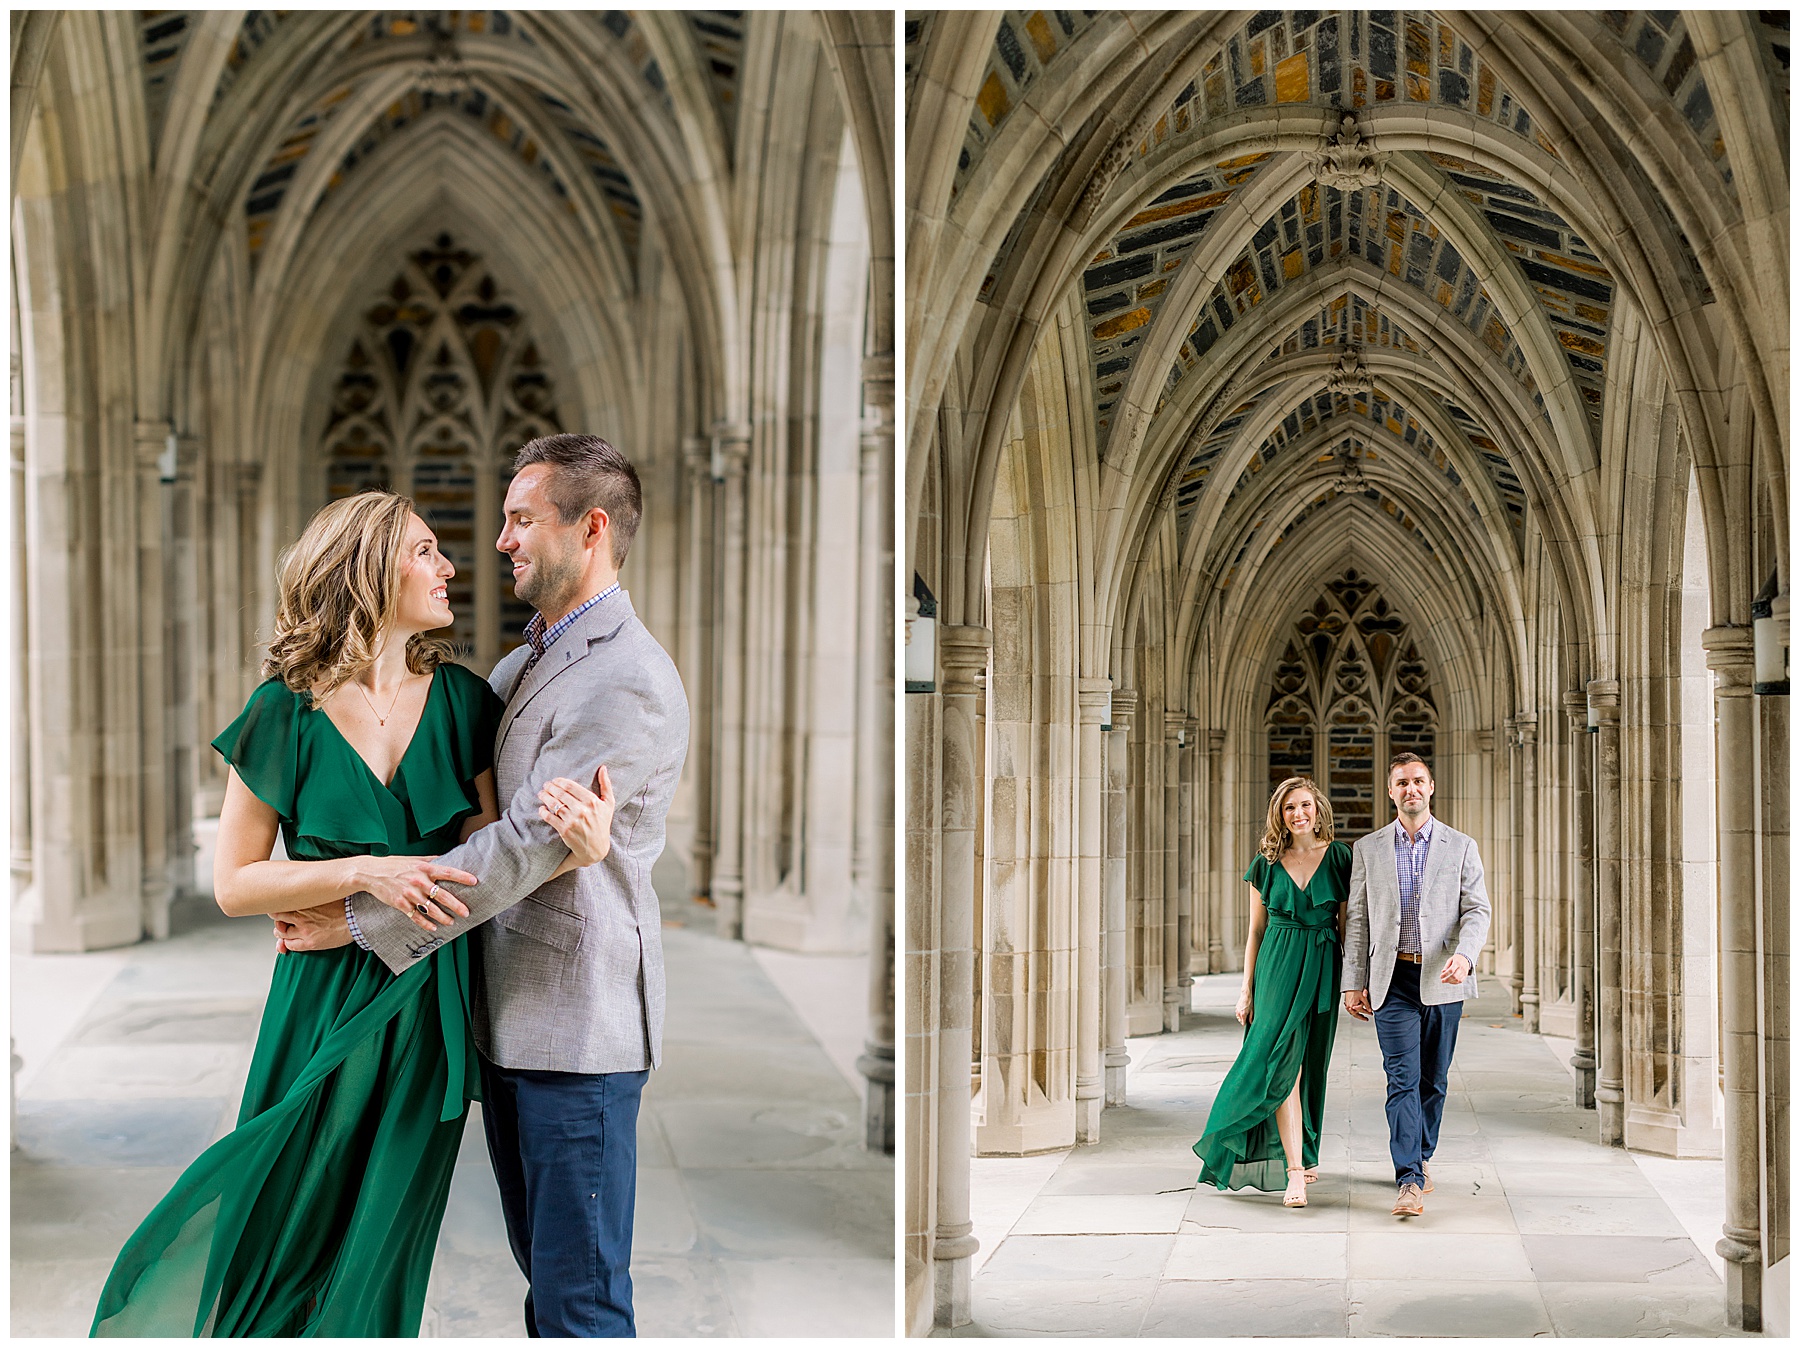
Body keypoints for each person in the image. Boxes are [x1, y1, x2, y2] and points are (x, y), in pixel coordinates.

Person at [91, 490, 614, 1336]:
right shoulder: (280, 712)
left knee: (382, 1250)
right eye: (425, 552)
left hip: (426, 1005)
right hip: (317, 1003)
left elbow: (489, 867)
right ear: (366, 569)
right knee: (283, 1226)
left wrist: (580, 849)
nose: (450, 567)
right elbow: (234, 883)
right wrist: (367, 871)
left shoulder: (464, 704)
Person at [277, 433, 690, 1337]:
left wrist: (362, 915)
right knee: (546, 1283)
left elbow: (525, 844)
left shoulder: (630, 678)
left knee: (580, 1301)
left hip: (575, 1031)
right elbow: (490, 825)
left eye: (519, 519)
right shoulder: (520, 665)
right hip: (506, 1018)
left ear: (590, 529)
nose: (498, 540)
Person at [1342, 752, 1491, 1218]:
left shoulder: (1461, 846)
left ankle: (1422, 1154)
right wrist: (1353, 982)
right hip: (1393, 981)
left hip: (1443, 979)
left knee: (1434, 1079)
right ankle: (1408, 1176)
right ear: (1391, 791)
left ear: (1431, 788)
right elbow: (1359, 920)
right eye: (1402, 782)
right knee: (1401, 1078)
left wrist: (1465, 957)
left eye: (1418, 781)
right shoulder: (1368, 849)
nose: (1411, 789)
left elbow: (1477, 910)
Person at [1193, 777, 1351, 1208]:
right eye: (1288, 808)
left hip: (1322, 965)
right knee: (1281, 1066)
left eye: (1304, 805)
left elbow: (1346, 927)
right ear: (1279, 816)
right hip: (1277, 969)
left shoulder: (1340, 857)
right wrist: (1246, 990)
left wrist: (1354, 981)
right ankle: (1294, 1173)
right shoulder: (1265, 862)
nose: (1298, 814)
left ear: (1317, 808)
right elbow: (1256, 931)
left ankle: (1304, 1151)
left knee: (1311, 1063)